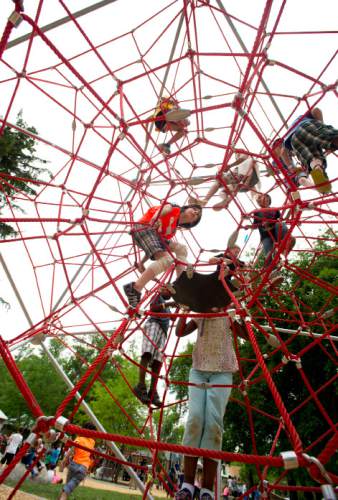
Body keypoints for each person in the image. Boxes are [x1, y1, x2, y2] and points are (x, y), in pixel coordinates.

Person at [174, 310, 248, 500]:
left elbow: (245, 335)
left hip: (222, 371)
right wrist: (183, 309)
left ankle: (206, 489)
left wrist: (241, 315)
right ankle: (188, 485)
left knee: (214, 424)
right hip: (198, 369)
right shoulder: (201, 311)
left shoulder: (228, 311)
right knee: (195, 419)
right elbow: (180, 332)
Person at [123, 203, 202, 308]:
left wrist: (142, 262)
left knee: (181, 248)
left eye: (197, 215)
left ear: (192, 223)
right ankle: (135, 288)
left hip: (153, 235)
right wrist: (155, 219)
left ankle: (181, 282)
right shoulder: (175, 209)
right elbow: (165, 208)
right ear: (186, 208)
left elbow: (154, 246)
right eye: (194, 209)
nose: (196, 212)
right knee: (167, 259)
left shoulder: (172, 231)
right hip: (144, 227)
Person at [134, 291, 176, 407]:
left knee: (157, 362)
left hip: (163, 332)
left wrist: (179, 306)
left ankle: (153, 391)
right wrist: (168, 304)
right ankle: (140, 385)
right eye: (169, 290)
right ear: (163, 288)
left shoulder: (167, 308)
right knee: (147, 353)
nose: (170, 294)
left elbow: (174, 318)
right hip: (154, 324)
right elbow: (152, 308)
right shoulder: (158, 296)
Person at [283, 107, 338, 193]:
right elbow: (316, 110)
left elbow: (283, 152)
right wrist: (321, 125)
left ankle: (317, 167)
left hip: (294, 141)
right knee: (332, 137)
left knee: (314, 157)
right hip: (305, 126)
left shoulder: (287, 134)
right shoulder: (303, 118)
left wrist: (291, 167)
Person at [248, 193, 295, 286]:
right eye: (260, 199)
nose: (262, 200)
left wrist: (291, 208)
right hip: (266, 236)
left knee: (280, 223)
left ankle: (285, 242)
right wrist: (247, 222)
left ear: (269, 200)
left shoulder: (275, 210)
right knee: (269, 255)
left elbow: (282, 219)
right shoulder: (257, 212)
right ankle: (273, 276)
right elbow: (254, 226)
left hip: (276, 232)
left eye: (264, 198)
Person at [189, 153, 260, 210]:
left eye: (236, 154)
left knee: (221, 180)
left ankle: (208, 200)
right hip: (243, 182)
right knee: (221, 184)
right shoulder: (240, 165)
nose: (236, 155)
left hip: (246, 176)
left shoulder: (244, 154)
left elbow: (242, 159)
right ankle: (224, 199)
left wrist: (229, 166)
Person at [58, 422, 96, 500]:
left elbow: (72, 450)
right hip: (83, 467)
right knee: (70, 486)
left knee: (67, 485)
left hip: (74, 464)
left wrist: (64, 460)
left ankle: (61, 498)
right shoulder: (92, 441)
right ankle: (62, 498)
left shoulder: (79, 438)